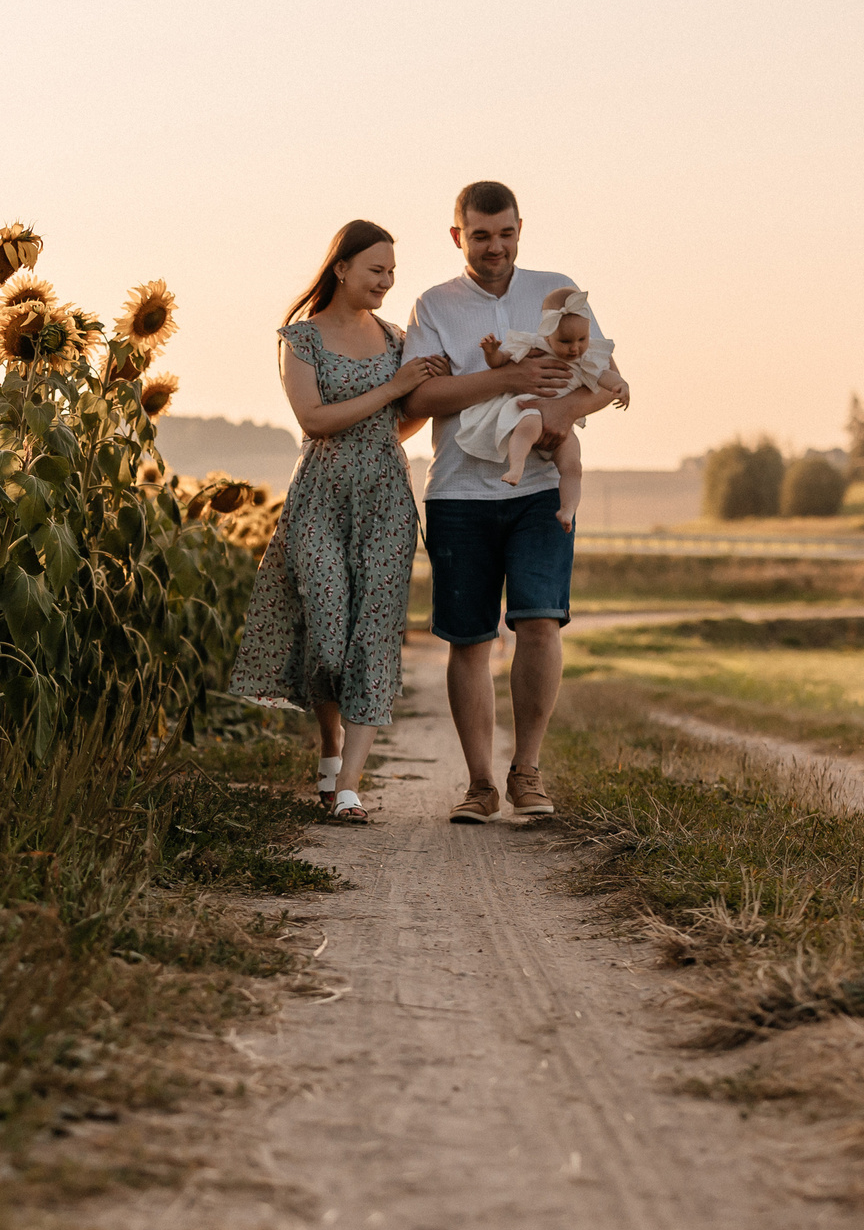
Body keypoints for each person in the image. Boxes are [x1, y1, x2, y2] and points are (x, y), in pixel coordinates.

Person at [401, 183, 623, 824]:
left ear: (521, 228)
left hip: (542, 489)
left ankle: (527, 772)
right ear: (457, 237)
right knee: (468, 639)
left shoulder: (558, 290)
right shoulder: (434, 305)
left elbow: (600, 376)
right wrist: (506, 379)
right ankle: (478, 784)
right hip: (459, 491)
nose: (494, 247)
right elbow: (418, 402)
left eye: (505, 234)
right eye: (480, 235)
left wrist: (558, 409)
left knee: (539, 620)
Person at [226, 220, 448, 822]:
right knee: (327, 637)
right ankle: (330, 748)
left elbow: (402, 422)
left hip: (386, 503)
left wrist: (402, 396)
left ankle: (348, 787)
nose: (387, 281)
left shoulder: (398, 337)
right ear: (342, 268)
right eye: (376, 270)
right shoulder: (300, 341)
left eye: (392, 272)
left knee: (372, 638)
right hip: (320, 499)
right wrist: (393, 387)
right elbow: (315, 420)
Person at [457, 286, 630, 528]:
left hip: (564, 425)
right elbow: (500, 362)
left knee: (572, 466)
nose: (575, 348)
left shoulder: (586, 358)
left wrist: (620, 385)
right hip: (532, 408)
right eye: (566, 341)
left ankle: (567, 510)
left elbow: (604, 376)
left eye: (582, 339)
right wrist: (492, 352)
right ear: (547, 335)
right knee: (528, 425)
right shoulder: (534, 346)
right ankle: (516, 466)